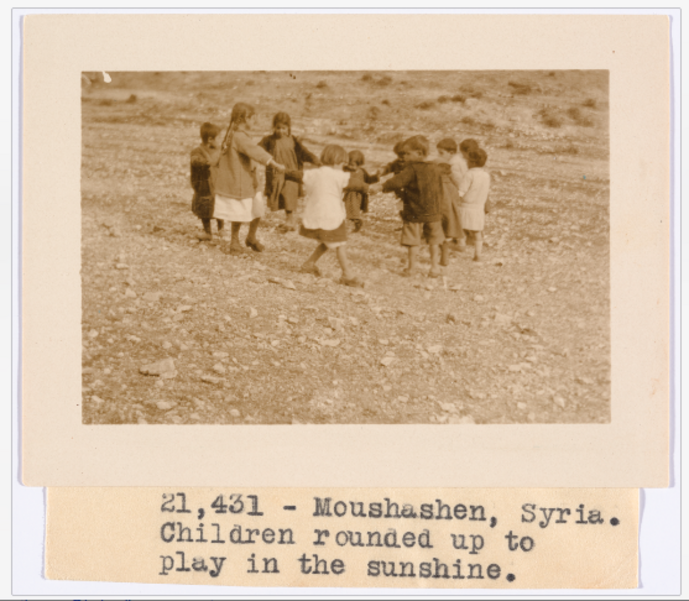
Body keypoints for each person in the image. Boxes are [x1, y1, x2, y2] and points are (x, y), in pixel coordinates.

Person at [211, 103, 286, 254]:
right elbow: (255, 151)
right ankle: (234, 241)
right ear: (245, 118)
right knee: (239, 212)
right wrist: (274, 164)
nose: (255, 122)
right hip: (241, 183)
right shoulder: (238, 137)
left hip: (250, 181)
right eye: (253, 119)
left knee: (257, 209)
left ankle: (251, 237)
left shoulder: (233, 135)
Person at [297, 144, 366, 287]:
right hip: (331, 214)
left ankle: (309, 263)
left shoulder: (315, 173)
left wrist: (283, 171)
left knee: (328, 240)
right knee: (340, 243)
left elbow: (298, 175)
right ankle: (347, 274)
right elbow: (355, 184)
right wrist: (369, 188)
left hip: (317, 213)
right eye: (342, 164)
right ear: (336, 162)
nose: (343, 167)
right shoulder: (337, 175)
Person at [382, 135, 444, 278]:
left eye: (408, 153)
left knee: (413, 241)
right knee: (434, 240)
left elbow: (396, 182)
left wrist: (382, 186)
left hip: (414, 210)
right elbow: (440, 188)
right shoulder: (435, 168)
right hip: (433, 211)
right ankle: (434, 268)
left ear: (419, 153)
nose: (405, 157)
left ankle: (411, 269)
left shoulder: (412, 169)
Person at [259, 112, 320, 231]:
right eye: (278, 128)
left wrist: (315, 160)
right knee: (281, 195)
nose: (280, 131)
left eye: (283, 128)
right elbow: (257, 150)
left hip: (292, 173)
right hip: (277, 173)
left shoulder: (293, 140)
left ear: (288, 128)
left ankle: (290, 221)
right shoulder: (269, 140)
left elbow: (304, 152)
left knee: (289, 196)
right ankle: (289, 220)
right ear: (274, 127)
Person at [190, 122, 223, 242]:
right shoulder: (197, 151)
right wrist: (207, 162)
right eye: (218, 138)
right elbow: (195, 161)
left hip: (216, 184)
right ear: (210, 139)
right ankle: (208, 232)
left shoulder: (218, 151)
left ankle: (221, 229)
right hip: (204, 186)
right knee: (205, 209)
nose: (220, 140)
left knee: (219, 207)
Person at [458, 147, 491, 262]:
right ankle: (478, 254)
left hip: (466, 205)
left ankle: (461, 245)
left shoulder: (469, 174)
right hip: (478, 207)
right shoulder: (486, 175)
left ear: (472, 162)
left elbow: (462, 191)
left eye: (467, 160)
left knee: (460, 227)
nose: (466, 162)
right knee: (477, 232)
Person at [435, 138, 463, 266]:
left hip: (444, 199)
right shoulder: (449, 164)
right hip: (448, 198)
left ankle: (443, 255)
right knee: (448, 225)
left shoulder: (450, 166)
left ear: (450, 153)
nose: (438, 155)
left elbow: (459, 182)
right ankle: (445, 254)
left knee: (441, 227)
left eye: (441, 153)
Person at [449, 138, 479, 251]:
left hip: (471, 191)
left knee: (473, 214)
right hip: (460, 192)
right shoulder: (455, 162)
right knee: (460, 215)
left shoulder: (472, 159)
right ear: (464, 151)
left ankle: (471, 237)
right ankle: (460, 241)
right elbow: (458, 181)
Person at [343, 150, 379, 233]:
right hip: (346, 193)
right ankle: (350, 222)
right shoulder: (345, 170)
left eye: (352, 165)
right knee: (345, 209)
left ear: (359, 165)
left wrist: (376, 177)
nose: (349, 166)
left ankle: (357, 222)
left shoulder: (362, 172)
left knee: (353, 209)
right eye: (348, 163)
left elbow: (368, 180)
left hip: (356, 195)